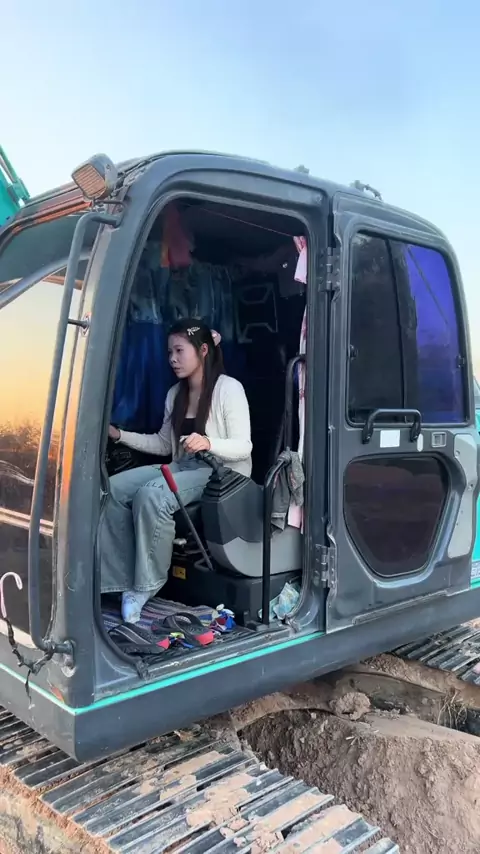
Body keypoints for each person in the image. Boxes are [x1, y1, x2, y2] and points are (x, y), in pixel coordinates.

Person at [100, 318, 252, 623]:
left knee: (153, 494)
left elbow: (243, 447)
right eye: (170, 352)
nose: (172, 358)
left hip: (220, 473)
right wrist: (120, 435)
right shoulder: (175, 394)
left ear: (203, 350)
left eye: (180, 351)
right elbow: (162, 444)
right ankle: (117, 582)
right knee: (113, 489)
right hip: (183, 466)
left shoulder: (228, 389)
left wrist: (208, 442)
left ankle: (146, 586)